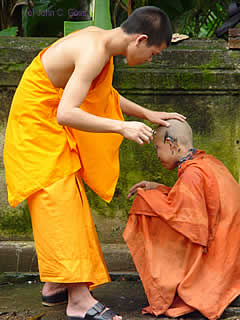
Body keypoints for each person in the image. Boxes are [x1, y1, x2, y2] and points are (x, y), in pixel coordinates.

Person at [3, 6, 186, 320]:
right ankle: (78, 302)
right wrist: (121, 127)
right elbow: (67, 112)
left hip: (47, 127)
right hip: (36, 130)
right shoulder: (93, 50)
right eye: (154, 53)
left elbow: (101, 93)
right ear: (141, 40)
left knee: (68, 205)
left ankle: (55, 286)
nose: (151, 60)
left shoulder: (101, 45)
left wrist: (146, 114)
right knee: (62, 210)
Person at [124, 119, 240, 320]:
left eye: (157, 148)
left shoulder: (193, 173)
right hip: (231, 248)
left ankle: (168, 282)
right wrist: (157, 187)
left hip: (220, 254)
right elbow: (192, 204)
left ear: (172, 144)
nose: (157, 155)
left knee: (146, 208)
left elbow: (191, 225)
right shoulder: (208, 162)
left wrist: (146, 198)